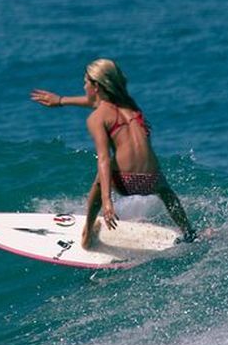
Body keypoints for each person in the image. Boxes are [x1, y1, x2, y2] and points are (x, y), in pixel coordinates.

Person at [31, 58, 197, 248]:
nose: (83, 86)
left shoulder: (97, 118)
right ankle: (189, 232)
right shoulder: (130, 105)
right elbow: (97, 102)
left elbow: (103, 159)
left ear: (96, 86)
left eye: (86, 82)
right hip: (152, 181)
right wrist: (61, 100)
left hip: (125, 183)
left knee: (99, 178)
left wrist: (107, 201)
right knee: (167, 193)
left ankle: (86, 234)